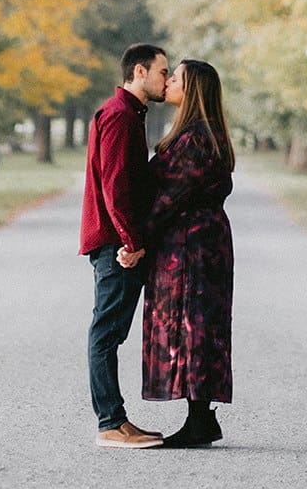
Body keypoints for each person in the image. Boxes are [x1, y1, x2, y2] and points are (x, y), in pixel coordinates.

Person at [125, 58, 235, 449]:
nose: (168, 81)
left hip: (193, 245)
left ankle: (200, 420)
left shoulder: (196, 140)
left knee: (194, 326)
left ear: (193, 91)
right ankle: (200, 416)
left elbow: (167, 199)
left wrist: (134, 242)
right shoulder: (198, 134)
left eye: (176, 77)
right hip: (197, 242)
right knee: (196, 324)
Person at [80, 43, 170, 448]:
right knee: (105, 333)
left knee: (111, 333)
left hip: (121, 243)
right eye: (162, 72)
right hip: (117, 247)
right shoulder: (118, 117)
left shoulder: (130, 115)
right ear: (139, 71)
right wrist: (132, 242)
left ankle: (117, 420)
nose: (165, 80)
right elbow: (114, 188)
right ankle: (109, 424)